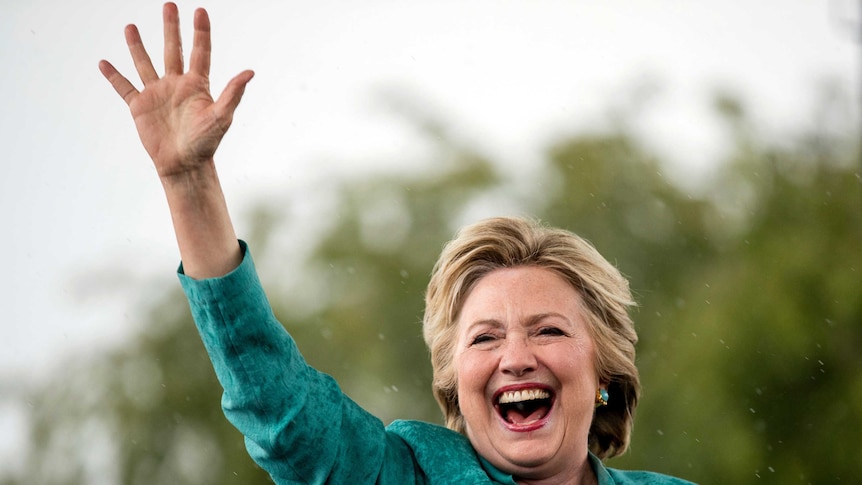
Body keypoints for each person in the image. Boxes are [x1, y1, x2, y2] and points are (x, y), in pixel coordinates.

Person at [99, 4, 695, 484]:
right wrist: (188, 182)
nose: (516, 357)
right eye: (485, 337)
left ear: (603, 374)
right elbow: (280, 409)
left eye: (548, 330)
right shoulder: (401, 475)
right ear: (455, 384)